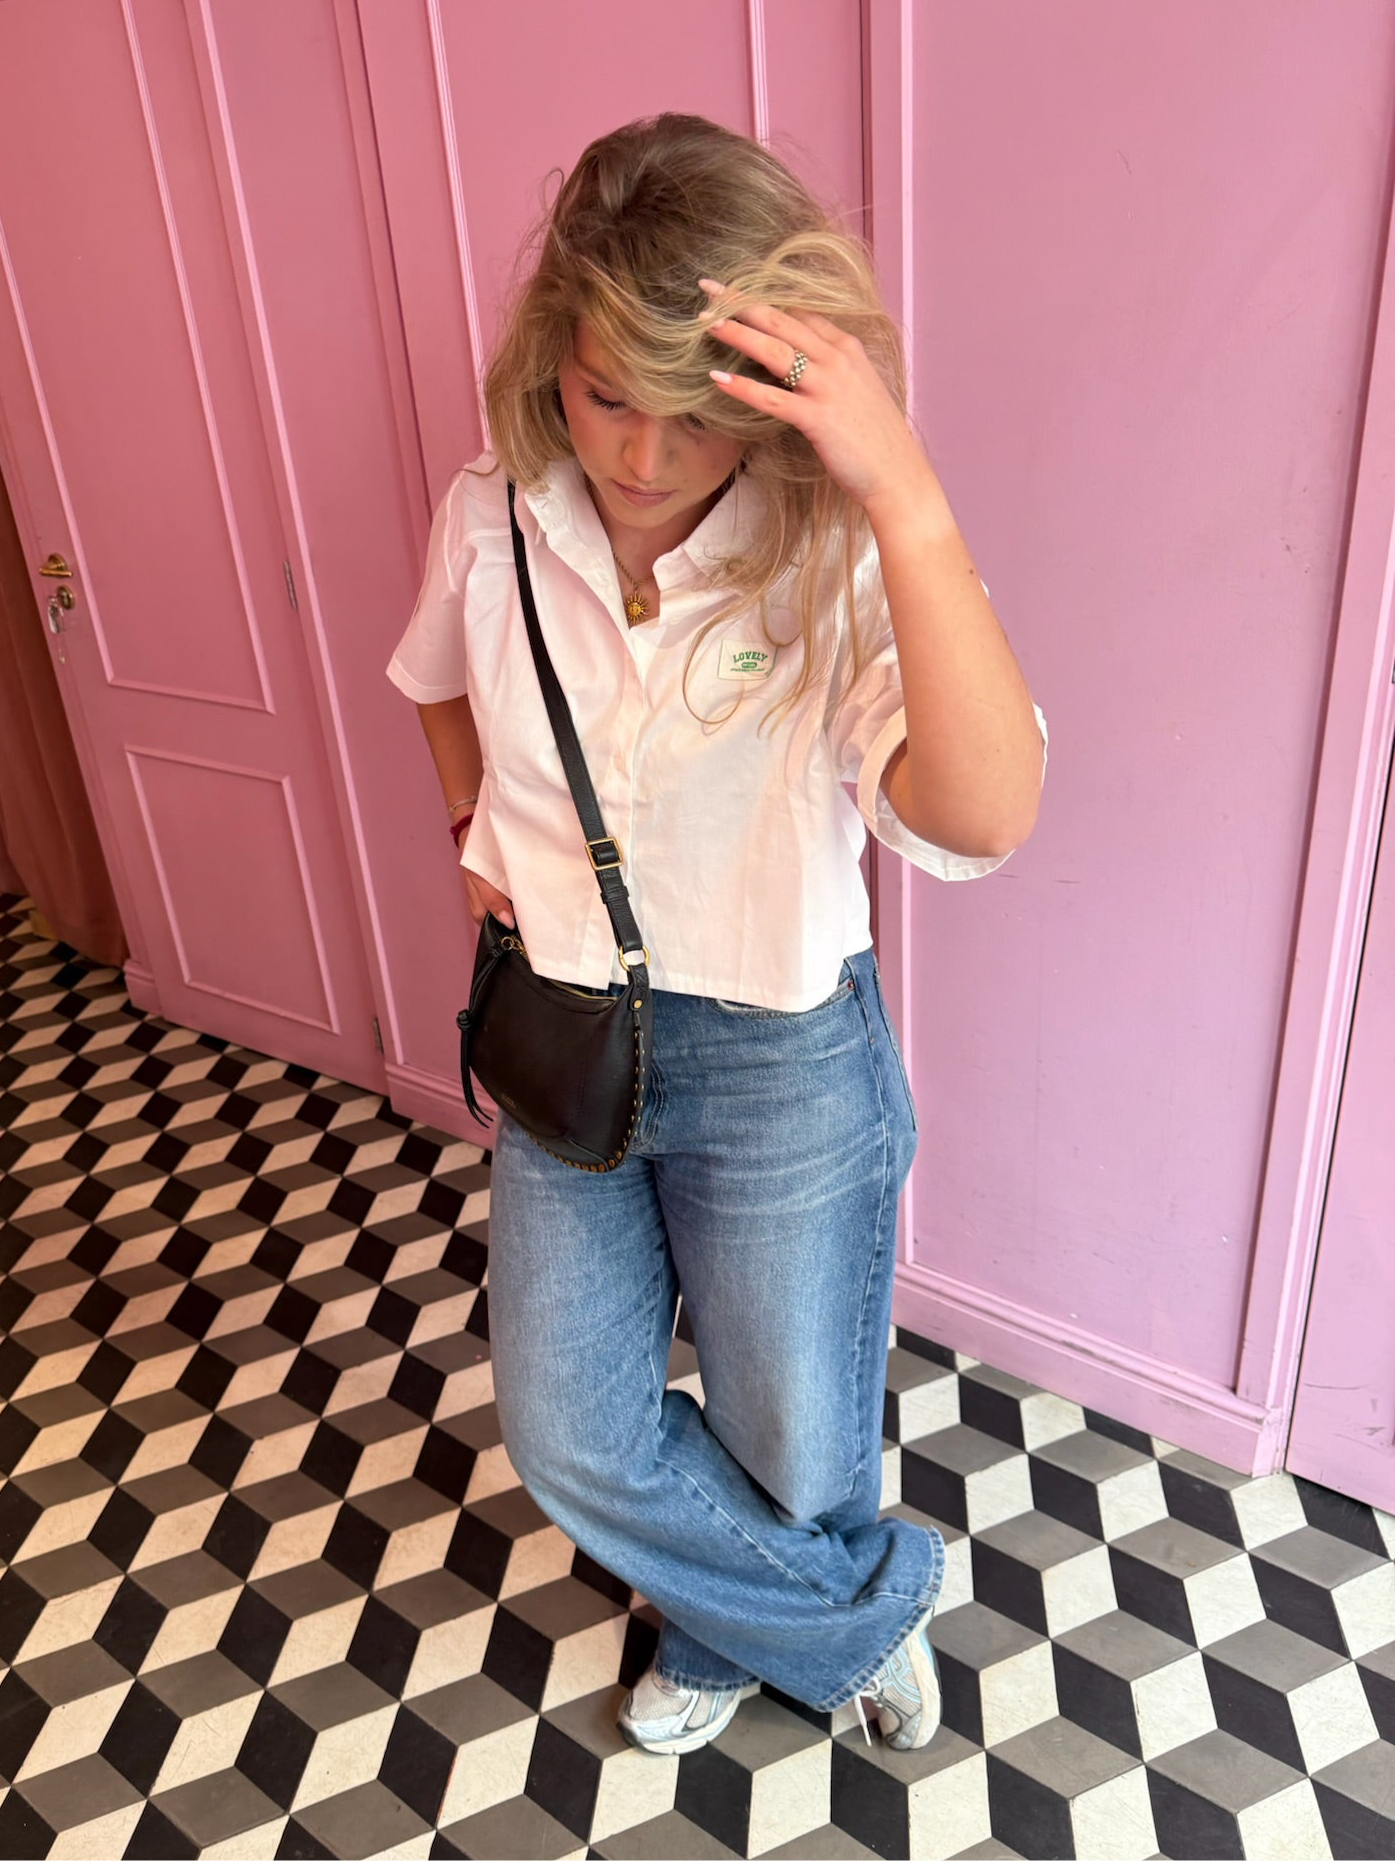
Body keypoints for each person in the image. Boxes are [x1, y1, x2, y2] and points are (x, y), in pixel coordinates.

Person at [385, 113, 1048, 1757]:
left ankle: (722, 1620)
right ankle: (848, 1616)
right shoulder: (492, 515)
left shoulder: (830, 549)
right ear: (552, 359)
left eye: (696, 413)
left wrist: (904, 491)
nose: (644, 456)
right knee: (568, 1431)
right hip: (566, 1034)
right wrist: (474, 832)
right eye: (609, 395)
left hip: (778, 1059)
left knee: (790, 1425)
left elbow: (983, 815)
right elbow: (435, 683)